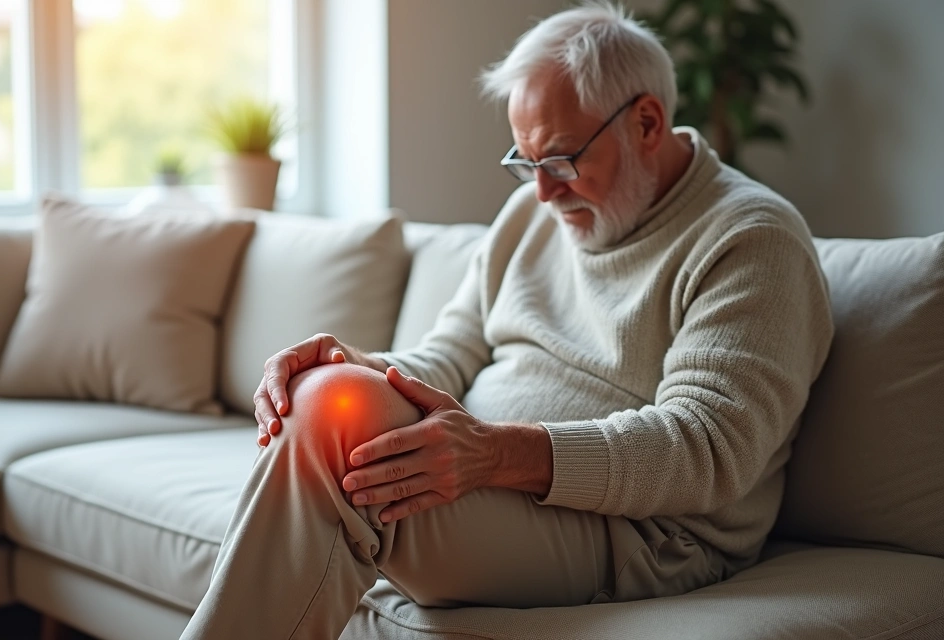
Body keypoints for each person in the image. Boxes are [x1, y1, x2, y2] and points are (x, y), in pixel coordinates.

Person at [181, 3, 834, 638]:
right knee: (330, 397)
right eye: (526, 163)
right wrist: (354, 365)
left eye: (561, 160)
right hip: (492, 480)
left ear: (646, 122)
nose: (543, 192)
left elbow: (705, 449)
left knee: (336, 435)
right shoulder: (532, 215)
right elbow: (448, 355)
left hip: (645, 535)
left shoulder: (751, 239)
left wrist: (497, 453)